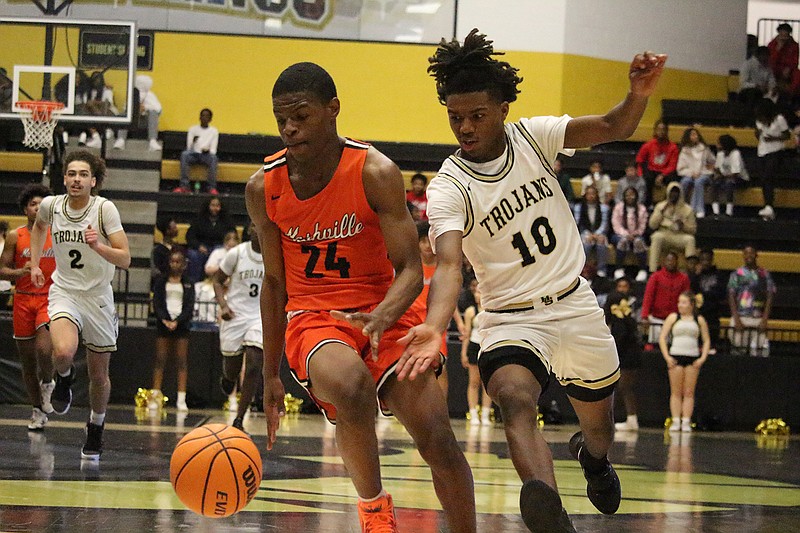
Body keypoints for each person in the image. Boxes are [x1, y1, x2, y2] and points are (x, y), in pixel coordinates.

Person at [397, 28, 666, 533]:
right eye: (455, 117)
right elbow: (451, 264)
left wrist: (638, 95)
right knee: (514, 400)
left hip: (574, 305)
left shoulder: (533, 137)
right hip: (508, 319)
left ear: (501, 107)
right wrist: (435, 325)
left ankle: (593, 458)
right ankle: (550, 515)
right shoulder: (449, 186)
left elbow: (613, 125)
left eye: (477, 115)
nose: (465, 127)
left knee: (600, 430)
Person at [245, 62, 476, 533]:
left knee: (437, 439)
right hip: (315, 317)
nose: (289, 127)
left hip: (384, 308)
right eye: (280, 118)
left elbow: (412, 269)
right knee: (350, 385)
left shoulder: (375, 171)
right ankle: (375, 513)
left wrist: (382, 316)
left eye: (301, 116)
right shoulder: (262, 187)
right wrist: (269, 373)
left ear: (333, 110)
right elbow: (274, 284)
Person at [29, 149, 131, 460]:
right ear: (64, 178)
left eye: (83, 175)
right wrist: (35, 264)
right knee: (62, 352)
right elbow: (38, 228)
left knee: (99, 375)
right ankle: (65, 377)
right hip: (65, 291)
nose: (77, 179)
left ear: (94, 181)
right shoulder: (51, 205)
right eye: (72, 174)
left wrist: (97, 245)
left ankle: (96, 425)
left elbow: (125, 258)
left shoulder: (104, 210)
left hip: (98, 296)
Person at [0, 184, 56, 430]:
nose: (38, 207)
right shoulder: (15, 236)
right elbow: (2, 269)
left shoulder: (58, 233)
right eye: (33, 203)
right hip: (22, 298)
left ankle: (49, 383)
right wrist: (18, 272)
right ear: (26, 208)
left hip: (49, 298)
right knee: (27, 361)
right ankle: (37, 410)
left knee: (45, 350)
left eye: (42, 203)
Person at [213, 221, 264, 431]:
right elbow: (217, 280)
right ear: (248, 230)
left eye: (259, 225)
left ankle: (239, 418)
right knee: (232, 368)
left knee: (253, 364)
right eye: (252, 225)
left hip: (259, 316)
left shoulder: (275, 254)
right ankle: (228, 378)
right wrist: (223, 305)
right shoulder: (237, 253)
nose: (256, 229)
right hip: (235, 314)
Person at [659, 291, 711, 432]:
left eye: (684, 302)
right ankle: (676, 420)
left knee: (689, 392)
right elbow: (662, 337)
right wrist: (667, 357)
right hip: (676, 356)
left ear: (691, 304)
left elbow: (706, 340)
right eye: (679, 302)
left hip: (692, 357)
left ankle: (686, 421)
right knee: (676, 391)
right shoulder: (673, 317)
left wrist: (702, 358)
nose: (680, 305)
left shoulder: (698, 319)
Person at [150, 248, 193, 411]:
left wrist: (178, 320)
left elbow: (189, 306)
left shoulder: (188, 283)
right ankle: (155, 397)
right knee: (160, 359)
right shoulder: (161, 281)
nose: (174, 264)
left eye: (178, 262)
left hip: (181, 325)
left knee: (182, 361)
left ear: (183, 264)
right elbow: (157, 303)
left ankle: (181, 399)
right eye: (172, 261)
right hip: (164, 324)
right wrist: (165, 319)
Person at [605, 277, 642, 432]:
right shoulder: (627, 319)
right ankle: (630, 419)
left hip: (627, 356)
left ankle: (632, 420)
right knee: (624, 387)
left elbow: (620, 339)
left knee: (625, 387)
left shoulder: (620, 323)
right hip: (629, 355)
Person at [727, 245, 776, 356]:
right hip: (740, 315)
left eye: (752, 253)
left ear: (756, 255)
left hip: (758, 317)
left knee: (759, 353)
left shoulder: (765, 274)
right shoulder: (736, 273)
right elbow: (731, 296)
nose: (749, 255)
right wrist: (736, 318)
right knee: (738, 351)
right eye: (746, 253)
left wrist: (765, 319)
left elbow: (770, 296)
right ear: (743, 256)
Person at [641, 251, 690, 347]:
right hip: (657, 319)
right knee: (655, 346)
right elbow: (648, 296)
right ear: (664, 262)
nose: (670, 263)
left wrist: (686, 315)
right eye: (668, 260)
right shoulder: (656, 276)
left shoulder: (684, 278)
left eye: (673, 260)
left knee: (674, 346)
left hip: (676, 320)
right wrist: (645, 315)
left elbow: (687, 298)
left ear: (677, 262)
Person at [460, 278, 492, 426]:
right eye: (477, 292)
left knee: (487, 383)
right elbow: (466, 333)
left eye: (481, 292)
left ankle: (485, 414)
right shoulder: (470, 311)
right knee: (474, 382)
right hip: (474, 345)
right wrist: (464, 352)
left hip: (488, 347)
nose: (478, 295)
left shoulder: (491, 310)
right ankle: (473, 414)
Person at [185, 196, 237, 283]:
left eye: (217, 206)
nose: (215, 208)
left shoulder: (227, 221)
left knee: (220, 253)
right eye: (213, 205)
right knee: (192, 254)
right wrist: (198, 246)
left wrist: (225, 246)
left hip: (220, 247)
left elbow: (232, 235)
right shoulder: (199, 220)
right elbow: (190, 236)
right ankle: (194, 282)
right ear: (208, 206)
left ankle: (220, 281)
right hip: (202, 249)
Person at [648, 182, 696, 274]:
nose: (674, 194)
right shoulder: (660, 206)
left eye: (676, 192)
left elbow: (693, 229)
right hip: (664, 233)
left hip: (679, 235)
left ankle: (691, 272)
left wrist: (683, 225)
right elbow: (652, 225)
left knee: (690, 239)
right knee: (656, 237)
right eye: (672, 192)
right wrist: (661, 212)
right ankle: (652, 271)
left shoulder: (688, 209)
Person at [754, 98, 789, 220]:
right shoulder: (759, 120)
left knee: (768, 177)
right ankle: (768, 206)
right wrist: (758, 132)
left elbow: (787, 135)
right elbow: (758, 134)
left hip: (776, 151)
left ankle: (769, 206)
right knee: (764, 179)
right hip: (762, 151)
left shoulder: (779, 119)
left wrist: (774, 138)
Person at [174, 108, 220, 195]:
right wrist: (193, 142)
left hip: (206, 155)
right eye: (202, 115)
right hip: (193, 154)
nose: (204, 118)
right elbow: (189, 148)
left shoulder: (214, 131)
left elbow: (214, 150)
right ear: (199, 118)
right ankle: (184, 186)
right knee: (184, 154)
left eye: (207, 116)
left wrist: (207, 150)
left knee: (214, 158)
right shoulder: (193, 129)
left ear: (210, 119)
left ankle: (211, 187)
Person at [689, 248, 725, 354]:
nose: (705, 262)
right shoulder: (695, 276)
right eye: (703, 260)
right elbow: (691, 291)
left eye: (708, 260)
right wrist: (696, 275)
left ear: (711, 260)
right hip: (698, 314)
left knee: (711, 346)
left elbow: (721, 294)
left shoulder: (718, 275)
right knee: (696, 346)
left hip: (713, 314)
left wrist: (705, 295)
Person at [113, 74, 162, 151]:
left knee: (153, 113)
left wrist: (145, 109)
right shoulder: (133, 95)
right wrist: (136, 110)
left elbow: (158, 110)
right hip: (133, 120)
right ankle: (121, 140)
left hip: (146, 122)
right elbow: (126, 108)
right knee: (124, 114)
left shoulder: (150, 95)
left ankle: (153, 141)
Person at [636, 120, 679, 206]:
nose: (661, 132)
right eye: (659, 129)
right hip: (652, 171)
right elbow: (639, 161)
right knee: (646, 180)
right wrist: (640, 174)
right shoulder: (648, 145)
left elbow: (673, 165)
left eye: (663, 129)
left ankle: (670, 205)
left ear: (666, 131)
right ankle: (647, 205)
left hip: (666, 172)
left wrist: (662, 175)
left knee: (673, 181)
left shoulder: (673, 147)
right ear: (655, 130)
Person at [611, 186, 649, 282]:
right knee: (622, 241)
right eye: (627, 195)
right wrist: (626, 234)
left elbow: (642, 226)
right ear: (624, 196)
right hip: (620, 235)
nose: (630, 197)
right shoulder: (618, 207)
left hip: (637, 235)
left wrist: (634, 234)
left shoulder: (642, 209)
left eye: (632, 195)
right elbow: (616, 225)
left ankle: (642, 270)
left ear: (636, 196)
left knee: (639, 242)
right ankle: (618, 269)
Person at [676, 127, 715, 219]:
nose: (695, 136)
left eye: (696, 134)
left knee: (699, 182)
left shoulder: (704, 149)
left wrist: (708, 168)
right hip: (689, 174)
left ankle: (699, 209)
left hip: (703, 174)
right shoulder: (684, 151)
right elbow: (680, 168)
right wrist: (691, 173)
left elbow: (712, 161)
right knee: (684, 182)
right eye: (692, 134)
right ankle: (680, 208)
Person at [573, 185, 610, 277]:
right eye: (589, 194)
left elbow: (604, 224)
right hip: (584, 232)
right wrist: (588, 234)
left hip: (600, 233)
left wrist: (597, 234)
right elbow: (579, 223)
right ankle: (582, 269)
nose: (591, 196)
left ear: (597, 195)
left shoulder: (604, 208)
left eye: (593, 194)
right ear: (585, 195)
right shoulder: (578, 207)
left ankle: (601, 269)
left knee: (601, 242)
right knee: (586, 243)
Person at [710, 134, 749, 217]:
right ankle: (716, 211)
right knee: (714, 183)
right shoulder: (720, 154)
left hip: (740, 179)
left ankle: (729, 212)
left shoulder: (735, 153)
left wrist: (722, 176)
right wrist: (714, 170)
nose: (717, 145)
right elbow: (718, 170)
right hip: (725, 177)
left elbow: (736, 173)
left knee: (729, 183)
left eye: (719, 143)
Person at [767, 23, 799, 98]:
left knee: (797, 75)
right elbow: (771, 60)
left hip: (788, 69)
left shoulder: (794, 45)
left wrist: (789, 68)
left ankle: (791, 94)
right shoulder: (772, 44)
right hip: (775, 67)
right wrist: (778, 48)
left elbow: (795, 61)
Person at [152, 216, 181, 284]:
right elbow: (155, 271)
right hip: (164, 282)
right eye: (174, 228)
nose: (177, 229)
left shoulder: (178, 248)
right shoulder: (158, 250)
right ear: (168, 231)